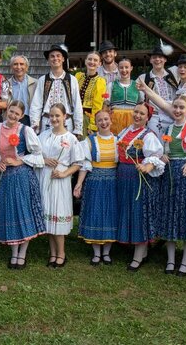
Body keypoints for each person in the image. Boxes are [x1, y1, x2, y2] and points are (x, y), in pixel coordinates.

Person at [136, 80, 186, 276]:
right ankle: (170, 260)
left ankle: (185, 261)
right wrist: (163, 156)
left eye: (181, 107)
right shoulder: (169, 129)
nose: (177, 110)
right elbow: (163, 150)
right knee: (169, 214)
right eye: (175, 107)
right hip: (170, 174)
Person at [0, 100, 45, 269]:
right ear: (6, 110)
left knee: (23, 212)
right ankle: (14, 253)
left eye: (17, 113)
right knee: (10, 213)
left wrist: (19, 161)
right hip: (6, 177)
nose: (13, 115)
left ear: (22, 116)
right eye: (11, 111)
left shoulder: (25, 130)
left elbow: (38, 154)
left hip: (22, 175)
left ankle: (22, 254)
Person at [116, 103, 165, 271]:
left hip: (138, 178)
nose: (137, 115)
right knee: (128, 210)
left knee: (139, 213)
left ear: (147, 117)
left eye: (142, 114)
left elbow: (156, 157)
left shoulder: (148, 135)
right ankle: (139, 251)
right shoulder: (126, 131)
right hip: (123, 176)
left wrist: (147, 167)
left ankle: (139, 255)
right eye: (136, 112)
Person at [38, 103, 84, 268]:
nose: (54, 119)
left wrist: (64, 173)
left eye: (58, 115)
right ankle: (52, 253)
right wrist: (44, 160)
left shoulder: (70, 138)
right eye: (51, 116)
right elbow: (36, 154)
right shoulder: (43, 135)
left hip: (60, 180)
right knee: (49, 215)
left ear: (65, 117)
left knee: (58, 213)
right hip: (46, 177)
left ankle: (61, 254)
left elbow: (78, 162)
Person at [74, 110, 119, 265]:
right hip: (95, 181)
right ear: (96, 122)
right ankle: (96, 252)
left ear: (111, 121)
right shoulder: (90, 140)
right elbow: (85, 164)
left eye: (106, 119)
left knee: (110, 214)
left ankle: (106, 253)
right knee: (96, 212)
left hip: (113, 181)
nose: (103, 122)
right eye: (100, 120)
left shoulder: (117, 140)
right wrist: (79, 183)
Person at [29, 44, 84, 136]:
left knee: (65, 149)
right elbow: (36, 104)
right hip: (47, 122)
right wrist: (35, 125)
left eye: (58, 56)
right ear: (48, 60)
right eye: (52, 56)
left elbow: (77, 104)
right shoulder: (43, 80)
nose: (55, 58)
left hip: (66, 123)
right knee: (46, 149)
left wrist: (78, 128)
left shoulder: (71, 79)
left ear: (63, 59)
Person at [107, 58, 143, 135]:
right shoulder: (111, 85)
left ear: (131, 68)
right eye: (121, 67)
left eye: (126, 67)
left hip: (133, 119)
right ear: (118, 69)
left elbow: (141, 104)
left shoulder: (137, 86)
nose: (124, 70)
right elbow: (106, 104)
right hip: (115, 119)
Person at [75, 52, 107, 135]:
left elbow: (97, 104)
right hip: (74, 115)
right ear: (85, 61)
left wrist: (92, 124)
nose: (92, 62)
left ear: (99, 64)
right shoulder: (78, 76)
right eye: (90, 59)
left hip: (87, 118)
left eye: (95, 60)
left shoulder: (100, 81)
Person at [7, 54, 37, 126]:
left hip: (29, 119)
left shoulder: (35, 83)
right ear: (11, 67)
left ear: (26, 67)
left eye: (22, 64)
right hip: (11, 118)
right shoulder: (6, 84)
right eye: (15, 64)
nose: (18, 67)